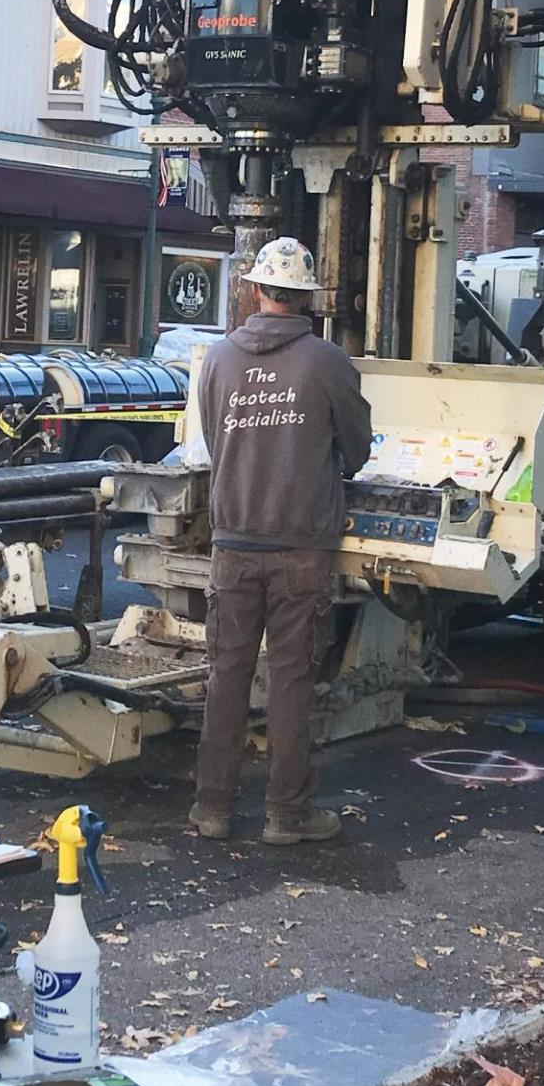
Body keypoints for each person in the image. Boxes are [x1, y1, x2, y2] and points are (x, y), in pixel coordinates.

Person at [191, 237, 371, 848]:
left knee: (227, 675)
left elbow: (218, 442)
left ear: (255, 290)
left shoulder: (217, 359)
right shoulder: (327, 362)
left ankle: (212, 808)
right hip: (301, 546)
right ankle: (286, 816)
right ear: (307, 298)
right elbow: (359, 449)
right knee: (291, 679)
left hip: (232, 540)